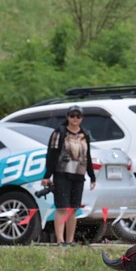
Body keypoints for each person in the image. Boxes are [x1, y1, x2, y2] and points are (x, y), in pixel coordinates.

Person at [41, 106, 96, 247]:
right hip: (62, 174)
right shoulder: (59, 133)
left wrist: (92, 176)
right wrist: (47, 175)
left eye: (78, 116)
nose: (75, 119)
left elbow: (87, 156)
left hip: (78, 175)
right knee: (62, 208)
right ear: (67, 116)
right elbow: (52, 155)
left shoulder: (85, 134)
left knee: (73, 209)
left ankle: (70, 240)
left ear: (82, 118)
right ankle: (60, 241)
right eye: (72, 115)